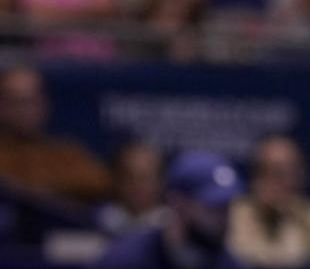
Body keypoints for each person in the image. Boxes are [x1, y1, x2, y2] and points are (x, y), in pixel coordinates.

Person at [95, 149, 247, 269]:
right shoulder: (122, 261)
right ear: (176, 202)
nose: (224, 218)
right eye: (213, 207)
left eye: (227, 206)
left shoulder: (230, 264)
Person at [0, 65, 112, 204]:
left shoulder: (66, 153)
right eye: (14, 102)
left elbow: (102, 183)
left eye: (29, 101)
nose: (22, 110)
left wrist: (50, 185)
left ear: (43, 104)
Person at [227, 135, 310, 268]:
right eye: (265, 170)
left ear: (300, 174)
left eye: (283, 171)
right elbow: (240, 256)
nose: (275, 180)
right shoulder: (234, 214)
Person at [97, 140, 169, 236]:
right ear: (117, 179)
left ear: (160, 182)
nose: (136, 185)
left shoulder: (171, 226)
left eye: (144, 177)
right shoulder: (98, 221)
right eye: (129, 177)